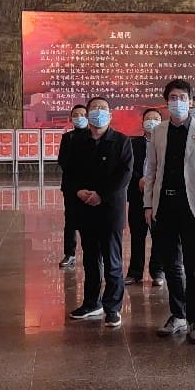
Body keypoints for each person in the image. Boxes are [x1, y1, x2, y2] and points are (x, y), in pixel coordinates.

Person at [144, 79, 195, 344]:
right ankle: (178, 315)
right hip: (164, 206)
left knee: (194, 266)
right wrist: (148, 204)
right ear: (167, 102)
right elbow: (151, 171)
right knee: (171, 264)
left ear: (190, 101)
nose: (178, 102)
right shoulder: (159, 131)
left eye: (183, 98)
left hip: (193, 207)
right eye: (173, 98)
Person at [64, 97, 133, 327]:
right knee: (91, 261)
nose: (99, 112)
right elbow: (69, 171)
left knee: (112, 261)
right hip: (85, 208)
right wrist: (78, 191)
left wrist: (101, 195)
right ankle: (92, 303)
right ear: (87, 114)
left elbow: (124, 174)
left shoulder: (121, 141)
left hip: (110, 210)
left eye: (103, 108)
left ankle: (113, 307)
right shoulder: (77, 141)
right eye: (95, 108)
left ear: (110, 115)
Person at [126, 108, 164, 286]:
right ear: (142, 123)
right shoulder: (132, 144)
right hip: (137, 195)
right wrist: (138, 180)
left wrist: (154, 181)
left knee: (159, 235)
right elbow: (127, 167)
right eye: (149, 118)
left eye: (156, 118)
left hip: (159, 197)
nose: (152, 121)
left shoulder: (166, 143)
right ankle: (135, 272)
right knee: (137, 235)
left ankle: (158, 271)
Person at [57, 104, 89, 269]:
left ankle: (92, 253)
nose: (79, 117)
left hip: (90, 187)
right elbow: (62, 161)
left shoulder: (94, 136)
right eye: (75, 115)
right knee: (70, 220)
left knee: (90, 221)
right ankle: (69, 254)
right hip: (71, 186)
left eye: (82, 114)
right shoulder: (67, 137)